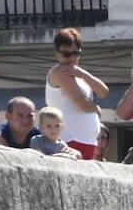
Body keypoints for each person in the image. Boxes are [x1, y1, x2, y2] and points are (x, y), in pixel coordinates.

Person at [45, 27, 108, 159]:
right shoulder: (59, 72)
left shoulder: (79, 75)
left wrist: (84, 74)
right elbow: (83, 105)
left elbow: (103, 92)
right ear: (57, 53)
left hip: (85, 141)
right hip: (69, 142)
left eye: (75, 53)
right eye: (66, 54)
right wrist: (96, 109)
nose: (71, 58)